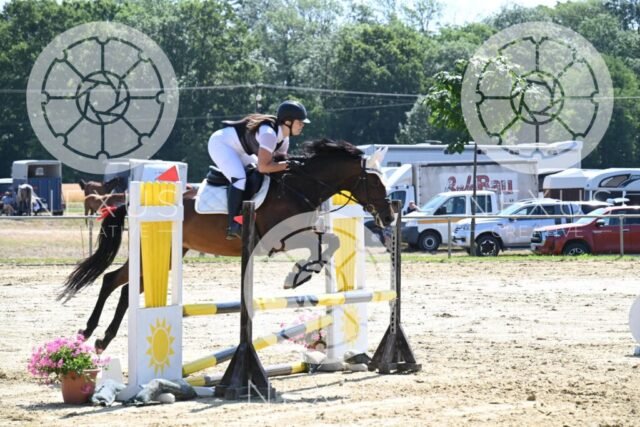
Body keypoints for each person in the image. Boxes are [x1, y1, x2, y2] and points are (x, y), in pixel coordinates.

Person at [208, 100, 310, 239]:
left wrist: (294, 165)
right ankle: (233, 225)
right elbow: (264, 167)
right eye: (300, 122)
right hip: (221, 144)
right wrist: (288, 165)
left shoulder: (284, 139)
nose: (302, 125)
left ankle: (248, 214)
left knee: (255, 174)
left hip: (241, 150)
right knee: (239, 178)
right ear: (288, 122)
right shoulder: (269, 134)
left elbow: (277, 164)